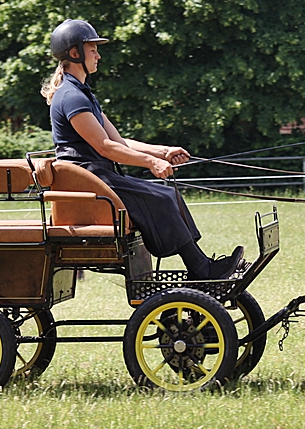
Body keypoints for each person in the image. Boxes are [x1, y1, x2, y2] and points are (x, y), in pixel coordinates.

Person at [40, 18, 244, 280]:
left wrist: (162, 152)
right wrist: (151, 164)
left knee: (167, 194)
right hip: (89, 180)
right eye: (93, 49)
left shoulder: (83, 93)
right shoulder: (70, 96)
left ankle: (200, 264)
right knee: (161, 197)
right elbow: (105, 147)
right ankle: (200, 269)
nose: (98, 55)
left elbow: (119, 142)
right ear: (74, 52)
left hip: (99, 176)